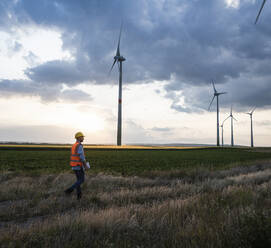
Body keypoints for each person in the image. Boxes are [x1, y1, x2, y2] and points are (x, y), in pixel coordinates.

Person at [65, 131, 87, 200]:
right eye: (82, 137)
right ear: (79, 137)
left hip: (74, 166)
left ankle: (79, 196)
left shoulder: (74, 145)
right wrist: (85, 165)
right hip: (78, 165)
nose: (83, 138)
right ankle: (69, 189)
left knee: (78, 181)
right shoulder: (79, 145)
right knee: (82, 180)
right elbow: (81, 157)